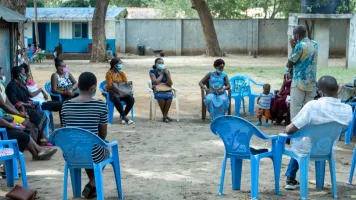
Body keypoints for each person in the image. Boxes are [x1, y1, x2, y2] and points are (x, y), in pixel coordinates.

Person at [283, 76, 353, 190]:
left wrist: (286, 129)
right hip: (327, 148)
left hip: (306, 149)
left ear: (320, 92)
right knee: (306, 140)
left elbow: (291, 129)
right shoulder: (347, 109)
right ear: (338, 89)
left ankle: (290, 178)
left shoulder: (313, 106)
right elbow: (344, 128)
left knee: (299, 142)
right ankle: (318, 183)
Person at [61, 72, 109, 199]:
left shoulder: (66, 105)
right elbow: (102, 135)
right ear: (93, 88)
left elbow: (65, 131)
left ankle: (93, 188)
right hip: (92, 152)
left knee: (89, 146)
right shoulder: (100, 105)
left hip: (71, 153)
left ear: (79, 86)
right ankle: (92, 183)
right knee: (104, 148)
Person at [5, 66, 48, 144]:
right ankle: (41, 137)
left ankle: (41, 136)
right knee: (38, 114)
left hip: (26, 106)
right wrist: (26, 104)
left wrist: (29, 103)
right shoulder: (12, 86)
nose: (25, 74)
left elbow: (29, 95)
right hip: (18, 109)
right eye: (24, 73)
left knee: (40, 113)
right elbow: (13, 101)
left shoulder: (22, 84)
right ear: (19, 75)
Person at [286, 25, 318, 120]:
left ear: (296, 35)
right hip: (311, 82)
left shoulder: (299, 46)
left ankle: (295, 132)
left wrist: (293, 48)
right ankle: (306, 132)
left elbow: (290, 63)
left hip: (299, 82)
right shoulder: (315, 44)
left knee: (296, 109)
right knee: (308, 109)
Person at [106, 58, 135, 125]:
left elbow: (125, 84)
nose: (120, 65)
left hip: (122, 93)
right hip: (113, 93)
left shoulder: (122, 73)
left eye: (121, 63)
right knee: (117, 100)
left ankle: (123, 117)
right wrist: (119, 85)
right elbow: (110, 86)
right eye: (119, 63)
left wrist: (117, 84)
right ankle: (125, 118)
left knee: (131, 99)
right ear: (114, 65)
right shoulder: (109, 74)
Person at [149, 58, 174, 123]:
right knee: (161, 98)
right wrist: (162, 74)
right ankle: (165, 117)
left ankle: (164, 116)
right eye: (159, 63)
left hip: (166, 90)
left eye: (162, 63)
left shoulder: (167, 72)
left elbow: (170, 83)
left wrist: (167, 74)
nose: (161, 64)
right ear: (155, 64)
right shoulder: (152, 72)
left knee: (169, 97)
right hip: (158, 91)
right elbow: (155, 82)